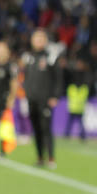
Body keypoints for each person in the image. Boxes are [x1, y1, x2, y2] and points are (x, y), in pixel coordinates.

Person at [21, 29, 61, 168]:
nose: (38, 41)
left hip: (45, 99)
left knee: (46, 129)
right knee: (36, 129)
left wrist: (55, 96)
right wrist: (25, 91)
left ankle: (51, 158)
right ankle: (39, 157)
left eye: (41, 38)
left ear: (45, 41)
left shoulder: (50, 57)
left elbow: (58, 78)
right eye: (36, 38)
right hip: (31, 99)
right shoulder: (28, 57)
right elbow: (24, 77)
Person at [64, 61, 90, 141]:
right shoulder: (79, 85)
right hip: (75, 107)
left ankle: (79, 135)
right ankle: (77, 135)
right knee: (75, 122)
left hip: (76, 107)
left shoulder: (78, 84)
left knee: (76, 122)